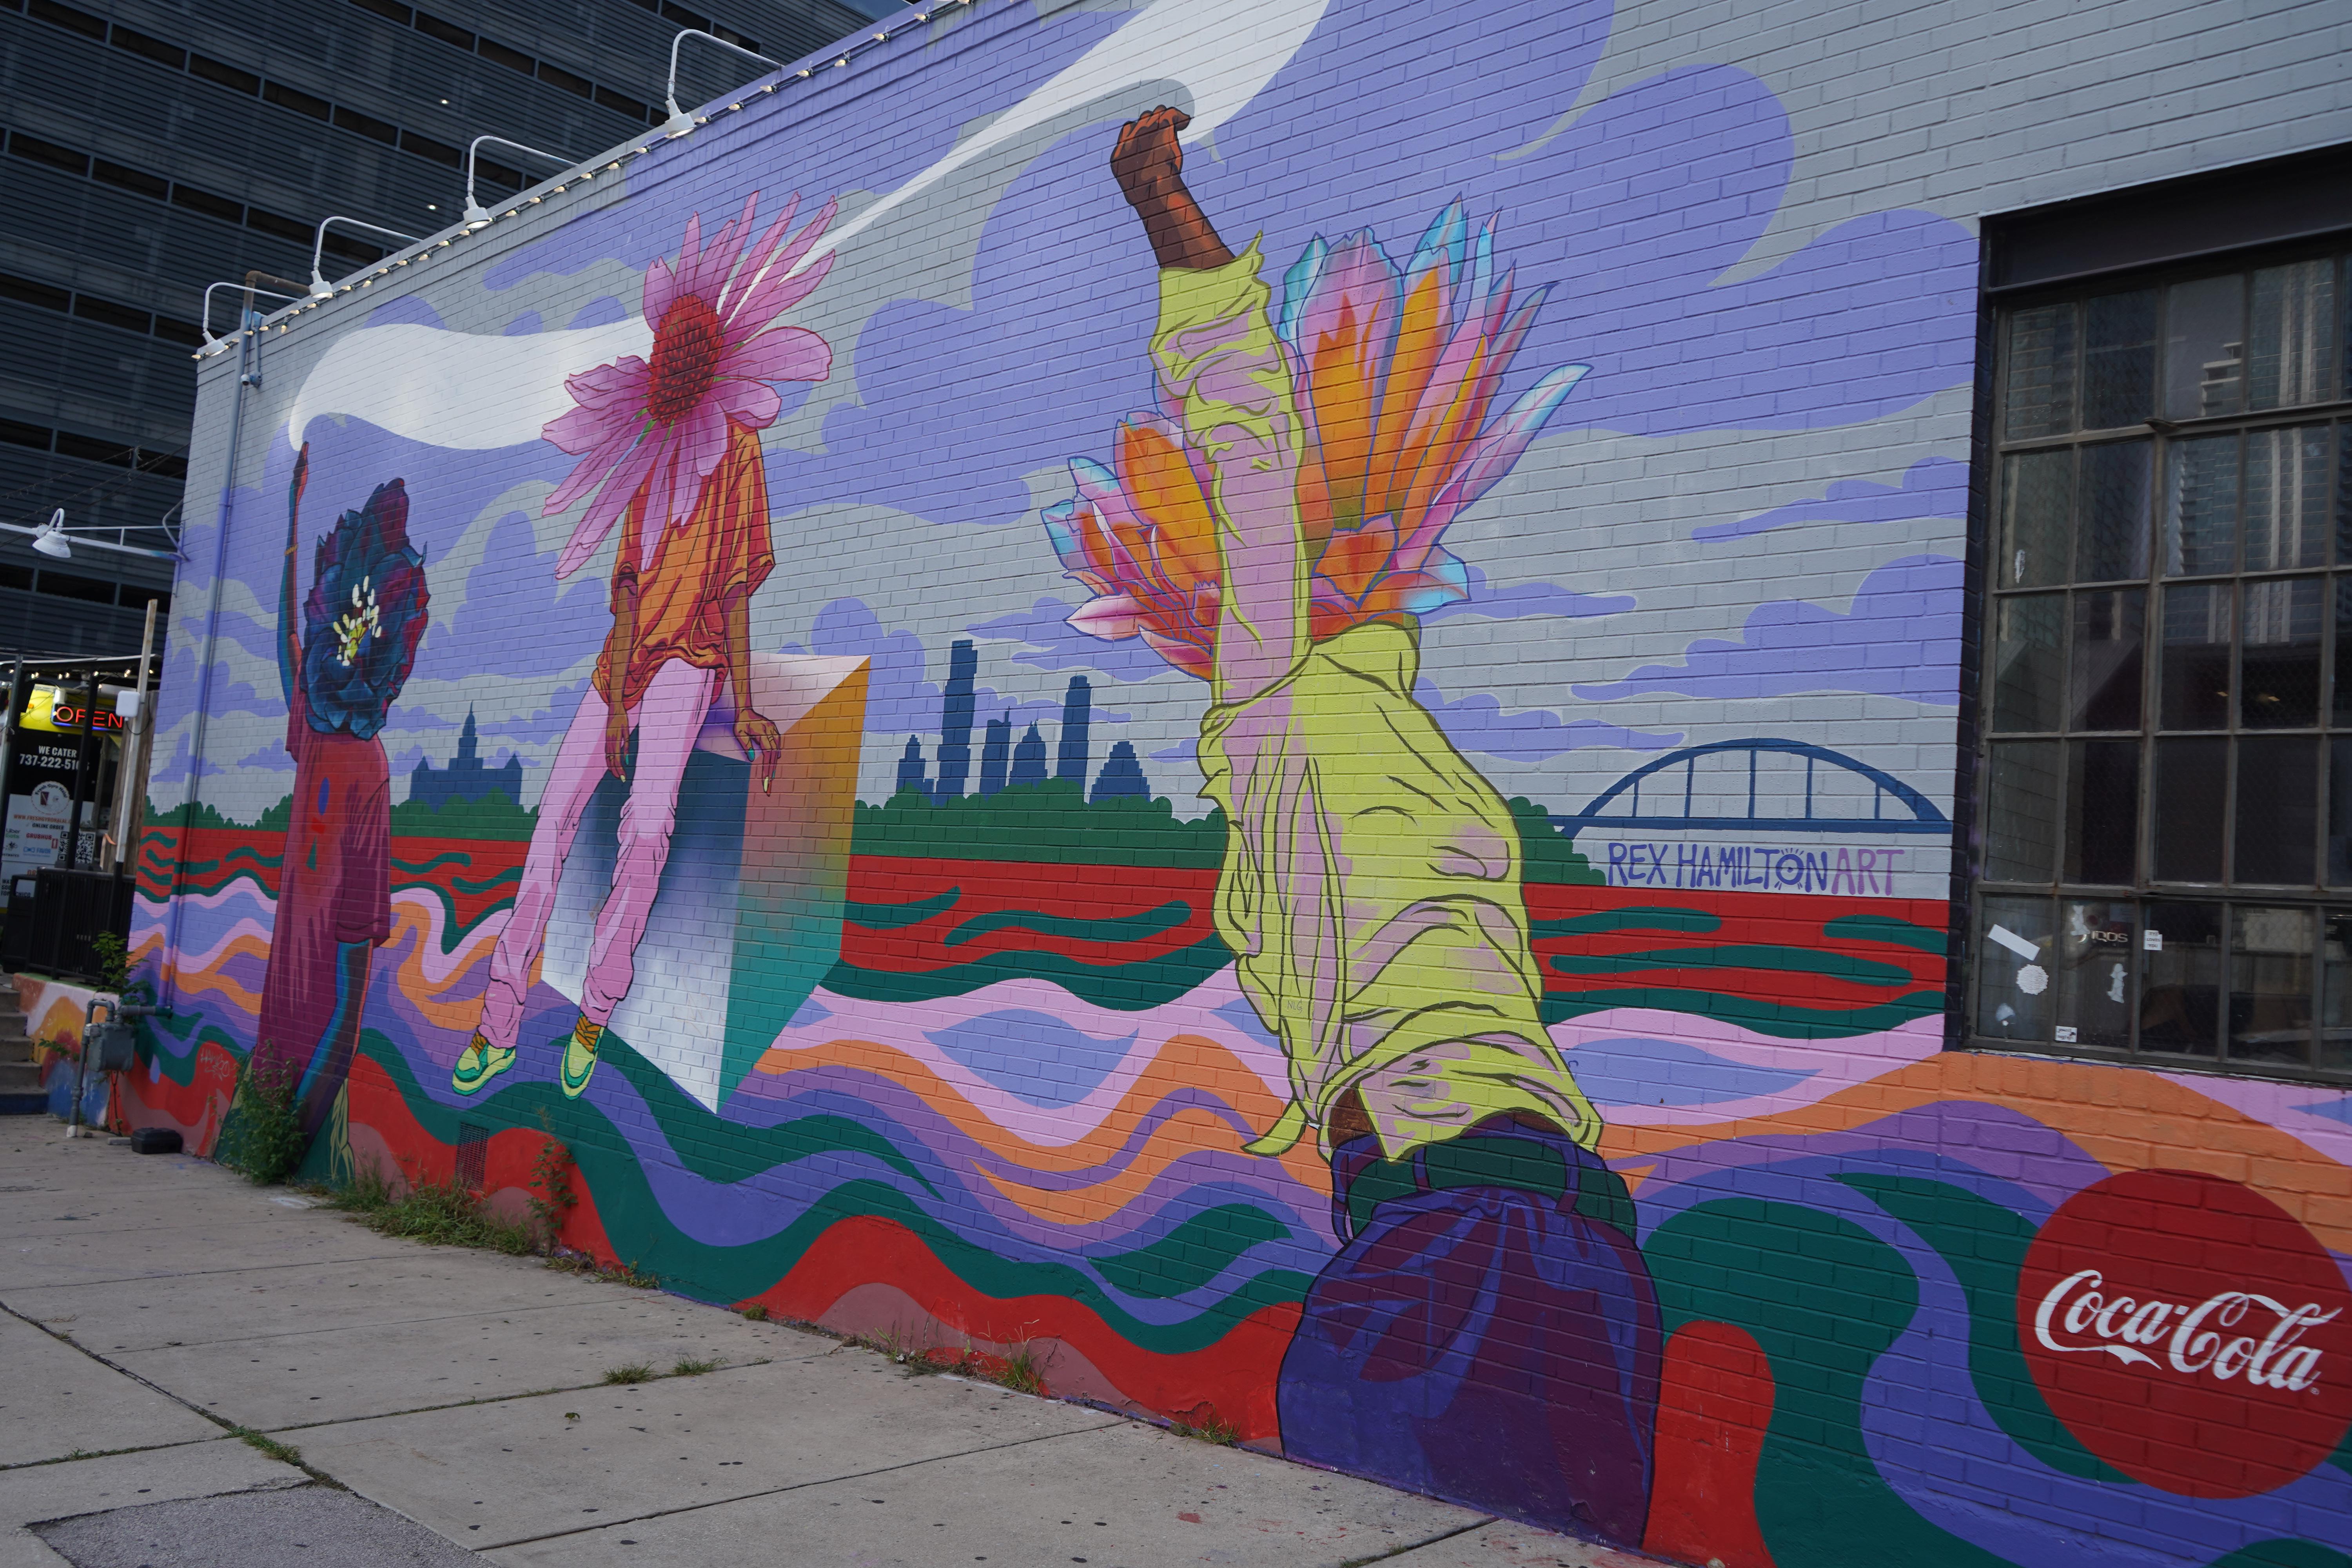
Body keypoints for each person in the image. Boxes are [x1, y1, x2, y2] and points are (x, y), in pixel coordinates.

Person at [1099, 108, 1661, 1544]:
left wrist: (1163, 212)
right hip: (1581, 1249)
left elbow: (1247, 439)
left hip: (1454, 1234)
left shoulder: (1276, 704)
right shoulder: (1439, 774)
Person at [452, 192, 831, 1100]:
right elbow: (625, 585)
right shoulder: (651, 444)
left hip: (690, 667)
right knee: (550, 825)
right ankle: (499, 1018)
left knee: (648, 827)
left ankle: (596, 1009)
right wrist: (618, 696)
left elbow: (734, 589)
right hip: (622, 665)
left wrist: (748, 704)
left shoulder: (740, 450)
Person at [252, 444, 428, 1142]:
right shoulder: (314, 729)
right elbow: (287, 635)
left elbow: (352, 1006)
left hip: (301, 1068)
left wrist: (293, 1133)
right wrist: (291, 520)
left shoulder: (366, 770)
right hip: (273, 1043)